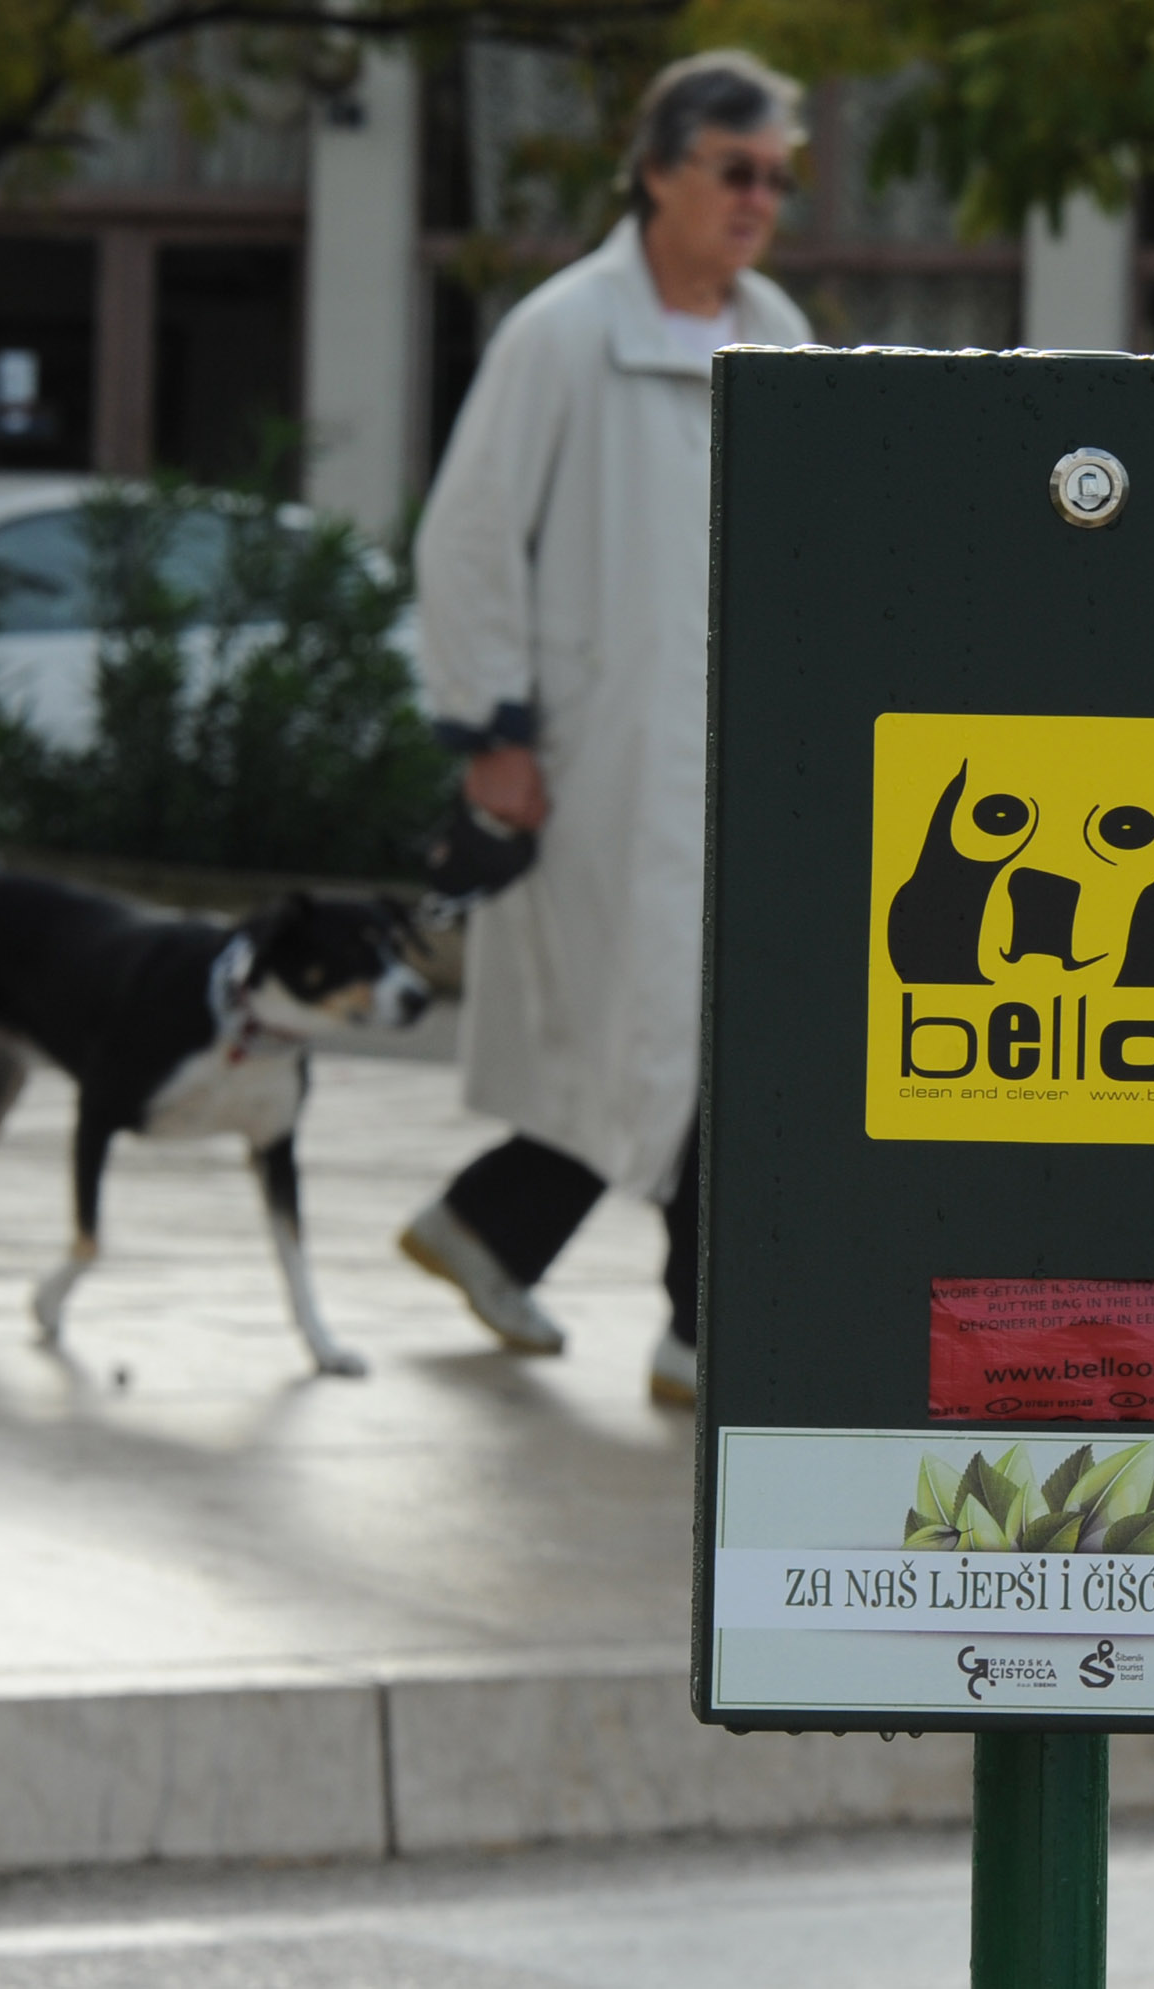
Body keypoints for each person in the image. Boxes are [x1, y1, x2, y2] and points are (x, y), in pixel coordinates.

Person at [398, 51, 813, 1406]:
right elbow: (466, 538)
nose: (758, 200)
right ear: (656, 170)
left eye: (775, 177)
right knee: (656, 1038)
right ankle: (706, 1326)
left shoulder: (779, 331)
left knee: (700, 1033)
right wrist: (491, 728)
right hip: (595, 766)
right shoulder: (563, 331)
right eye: (733, 171)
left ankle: (494, 1227)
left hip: (734, 767)